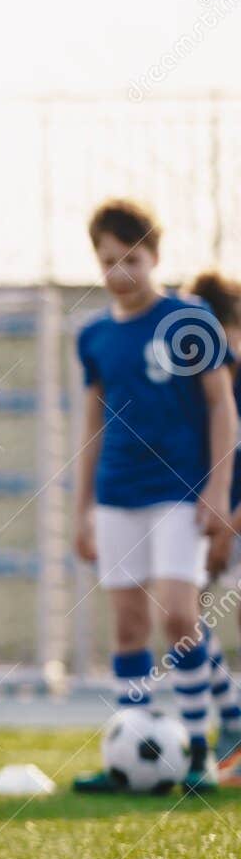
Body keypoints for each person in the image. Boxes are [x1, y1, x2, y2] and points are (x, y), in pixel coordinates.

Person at [71, 200, 236, 793]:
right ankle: (129, 747)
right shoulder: (93, 336)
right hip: (118, 495)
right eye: (109, 261)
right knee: (129, 629)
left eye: (132, 259)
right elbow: (91, 426)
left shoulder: (188, 318)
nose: (120, 272)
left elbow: (222, 407)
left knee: (180, 617)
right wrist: (82, 508)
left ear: (155, 257)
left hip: (179, 493)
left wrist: (217, 488)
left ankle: (197, 751)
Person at [184, 269, 241, 785]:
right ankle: (234, 715)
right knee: (182, 616)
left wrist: (228, 529)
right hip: (213, 515)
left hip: (234, 519)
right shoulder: (200, 378)